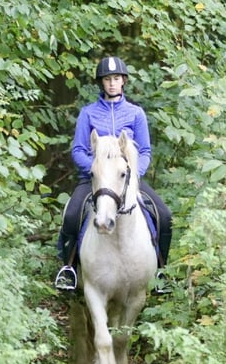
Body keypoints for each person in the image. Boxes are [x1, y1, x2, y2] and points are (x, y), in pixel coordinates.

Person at [55, 56, 172, 292]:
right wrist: (98, 170)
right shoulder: (88, 113)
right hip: (93, 181)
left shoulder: (136, 114)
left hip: (126, 181)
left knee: (164, 215)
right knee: (71, 215)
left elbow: (145, 151)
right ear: (102, 83)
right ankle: (68, 270)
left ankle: (161, 271)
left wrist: (132, 175)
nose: (112, 83)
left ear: (123, 81)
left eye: (116, 78)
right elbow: (78, 150)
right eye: (107, 79)